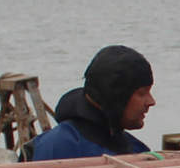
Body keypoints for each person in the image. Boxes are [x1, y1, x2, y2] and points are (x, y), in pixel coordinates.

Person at [23, 45, 156, 160]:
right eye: (142, 93)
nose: (151, 101)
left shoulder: (137, 149)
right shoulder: (56, 148)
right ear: (115, 97)